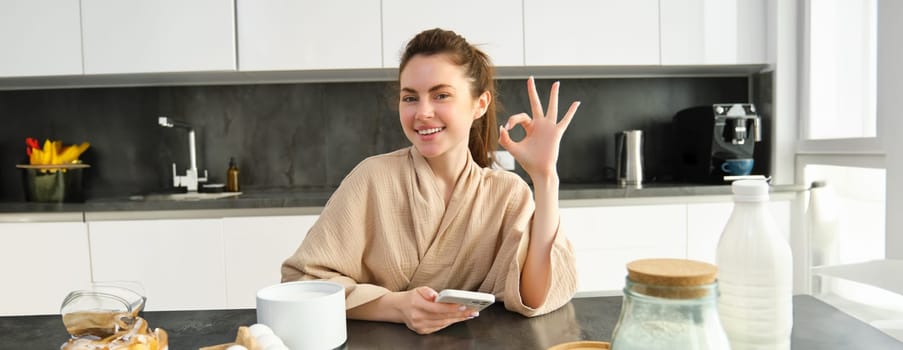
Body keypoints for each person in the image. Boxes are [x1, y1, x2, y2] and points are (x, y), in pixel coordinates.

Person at [282, 28, 580, 335]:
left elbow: (534, 297)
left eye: (441, 95)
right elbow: (303, 284)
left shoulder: (506, 194)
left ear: (479, 104)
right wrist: (397, 307)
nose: (422, 113)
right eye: (410, 97)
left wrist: (545, 178)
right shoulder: (372, 179)